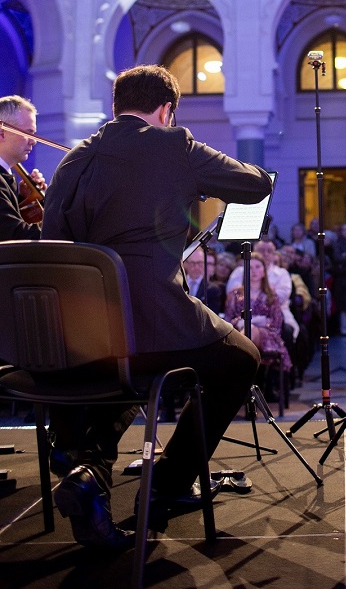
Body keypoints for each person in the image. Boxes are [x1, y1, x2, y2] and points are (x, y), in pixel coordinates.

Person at [41, 64, 272, 549]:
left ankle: (90, 473)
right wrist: (198, 180)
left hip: (76, 335)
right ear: (166, 109)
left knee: (124, 374)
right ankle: (169, 481)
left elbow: (51, 243)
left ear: (116, 107)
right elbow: (256, 185)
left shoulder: (75, 158)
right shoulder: (177, 145)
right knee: (241, 359)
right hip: (151, 322)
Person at [224, 254, 292, 376]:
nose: (254, 271)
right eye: (250, 267)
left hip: (267, 336)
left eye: (257, 267)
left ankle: (241, 360)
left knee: (252, 330)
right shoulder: (234, 294)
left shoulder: (272, 296)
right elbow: (228, 320)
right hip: (239, 331)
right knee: (248, 330)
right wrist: (240, 322)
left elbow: (276, 324)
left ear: (264, 271)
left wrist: (258, 321)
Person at [0, 95, 47, 240]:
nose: (34, 141)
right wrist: (64, 230)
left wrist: (25, 200)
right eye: (28, 133)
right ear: (2, 133)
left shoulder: (5, 177)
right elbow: (14, 235)